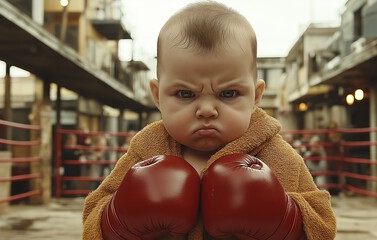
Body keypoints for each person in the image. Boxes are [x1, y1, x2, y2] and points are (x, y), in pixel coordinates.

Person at [82, 2, 336, 239]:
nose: (206, 110)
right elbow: (92, 215)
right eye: (185, 94)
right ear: (157, 96)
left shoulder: (276, 155)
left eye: (228, 94)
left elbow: (323, 224)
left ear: (256, 96)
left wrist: (286, 218)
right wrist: (117, 219)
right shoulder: (146, 150)